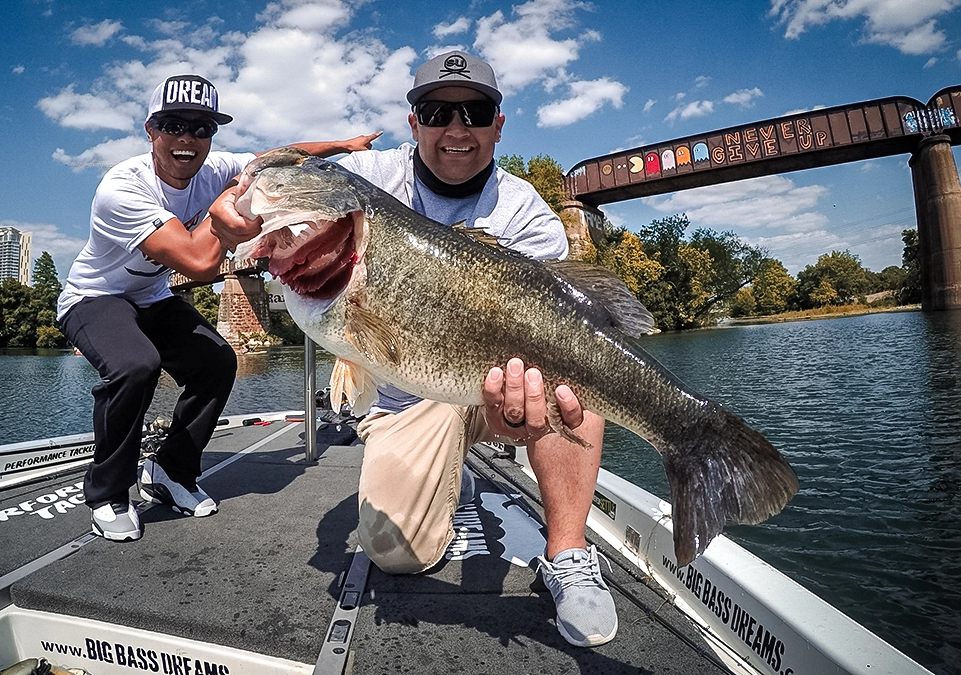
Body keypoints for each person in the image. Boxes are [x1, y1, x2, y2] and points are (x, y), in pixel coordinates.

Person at [217, 53, 616, 647]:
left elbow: (578, 315)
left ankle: (569, 554)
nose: (456, 130)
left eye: (475, 113)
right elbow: (268, 173)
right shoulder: (367, 178)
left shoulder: (527, 213)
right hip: (410, 398)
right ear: (413, 122)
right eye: (437, 112)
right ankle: (446, 470)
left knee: (572, 364)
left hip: (504, 385)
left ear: (499, 125)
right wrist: (243, 215)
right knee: (395, 553)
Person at [57, 73, 377, 543]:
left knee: (217, 361)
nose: (187, 139)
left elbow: (283, 155)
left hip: (150, 297)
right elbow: (200, 262)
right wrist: (227, 204)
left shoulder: (218, 167)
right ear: (151, 130)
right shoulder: (122, 189)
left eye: (202, 129)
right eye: (174, 125)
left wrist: (344, 145)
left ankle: (170, 472)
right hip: (94, 296)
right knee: (135, 367)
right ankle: (108, 493)